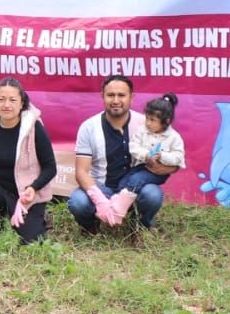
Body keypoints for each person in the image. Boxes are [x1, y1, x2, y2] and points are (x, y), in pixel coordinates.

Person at [68, 75, 169, 234]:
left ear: (132, 97)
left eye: (121, 95)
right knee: (78, 202)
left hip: (135, 189)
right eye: (110, 95)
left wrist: (162, 165)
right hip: (102, 187)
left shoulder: (146, 124)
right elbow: (81, 172)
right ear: (102, 97)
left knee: (152, 195)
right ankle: (90, 227)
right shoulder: (89, 127)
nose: (115, 100)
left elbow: (167, 160)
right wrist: (100, 200)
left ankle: (140, 227)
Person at [0, 77, 56, 245]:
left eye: (12, 100)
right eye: (1, 99)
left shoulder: (34, 128)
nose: (6, 105)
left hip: (27, 195)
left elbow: (50, 167)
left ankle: (40, 218)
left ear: (22, 103)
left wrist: (33, 187)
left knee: (32, 241)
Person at [110, 92, 186, 218]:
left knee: (136, 181)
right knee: (122, 184)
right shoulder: (142, 131)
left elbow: (179, 158)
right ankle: (123, 207)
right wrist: (146, 155)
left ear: (166, 121)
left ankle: (120, 209)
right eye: (147, 118)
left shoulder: (174, 137)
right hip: (140, 167)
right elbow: (133, 147)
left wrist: (163, 156)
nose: (148, 123)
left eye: (153, 120)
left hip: (157, 172)